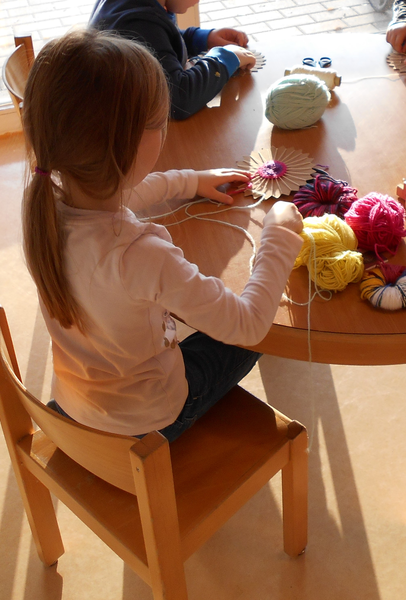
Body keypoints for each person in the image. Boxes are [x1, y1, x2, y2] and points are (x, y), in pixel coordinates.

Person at [21, 29, 303, 442]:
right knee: (269, 337)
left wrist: (190, 181)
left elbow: (123, 194)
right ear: (132, 145)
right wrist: (277, 236)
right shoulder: (141, 255)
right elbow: (247, 324)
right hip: (152, 418)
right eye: (159, 121)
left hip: (75, 401)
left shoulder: (44, 201)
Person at [90, 0, 256, 120]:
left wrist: (202, 38)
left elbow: (158, 43)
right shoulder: (140, 23)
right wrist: (224, 57)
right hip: (121, 139)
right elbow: (179, 100)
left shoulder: (135, 7)